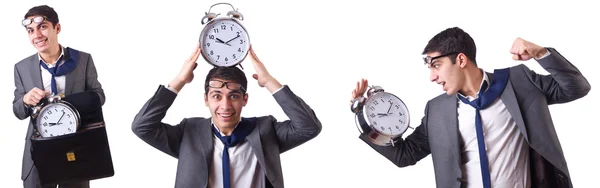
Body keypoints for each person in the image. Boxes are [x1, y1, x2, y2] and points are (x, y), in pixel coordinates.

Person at [351, 27, 590, 188]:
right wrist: (364, 115)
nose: (433, 77)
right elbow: (404, 155)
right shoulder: (437, 110)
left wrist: (540, 52)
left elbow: (576, 87)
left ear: (461, 60)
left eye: (437, 65)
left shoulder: (518, 82)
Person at [131, 43, 322, 188]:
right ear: (206, 99)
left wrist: (269, 81)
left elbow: (309, 127)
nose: (225, 105)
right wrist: (179, 81)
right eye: (216, 96)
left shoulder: (265, 130)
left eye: (234, 96)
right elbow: (142, 126)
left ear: (245, 99)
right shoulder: (188, 133)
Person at [12, 5, 106, 188]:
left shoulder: (83, 60)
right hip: (38, 150)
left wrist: (69, 103)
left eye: (43, 27)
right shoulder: (21, 68)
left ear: (57, 28)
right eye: (30, 30)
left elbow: (99, 97)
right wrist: (25, 100)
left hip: (75, 146)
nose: (36, 35)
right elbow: (17, 111)